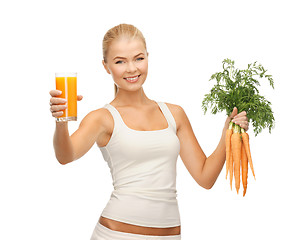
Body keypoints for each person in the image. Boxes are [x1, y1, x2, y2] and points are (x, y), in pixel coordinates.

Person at [49, 23, 249, 240]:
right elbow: (65, 156)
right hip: (117, 235)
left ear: (147, 57)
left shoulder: (174, 114)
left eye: (138, 58)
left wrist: (228, 132)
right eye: (119, 62)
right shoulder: (102, 118)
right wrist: (62, 121)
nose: (132, 69)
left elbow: (205, 177)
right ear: (106, 66)